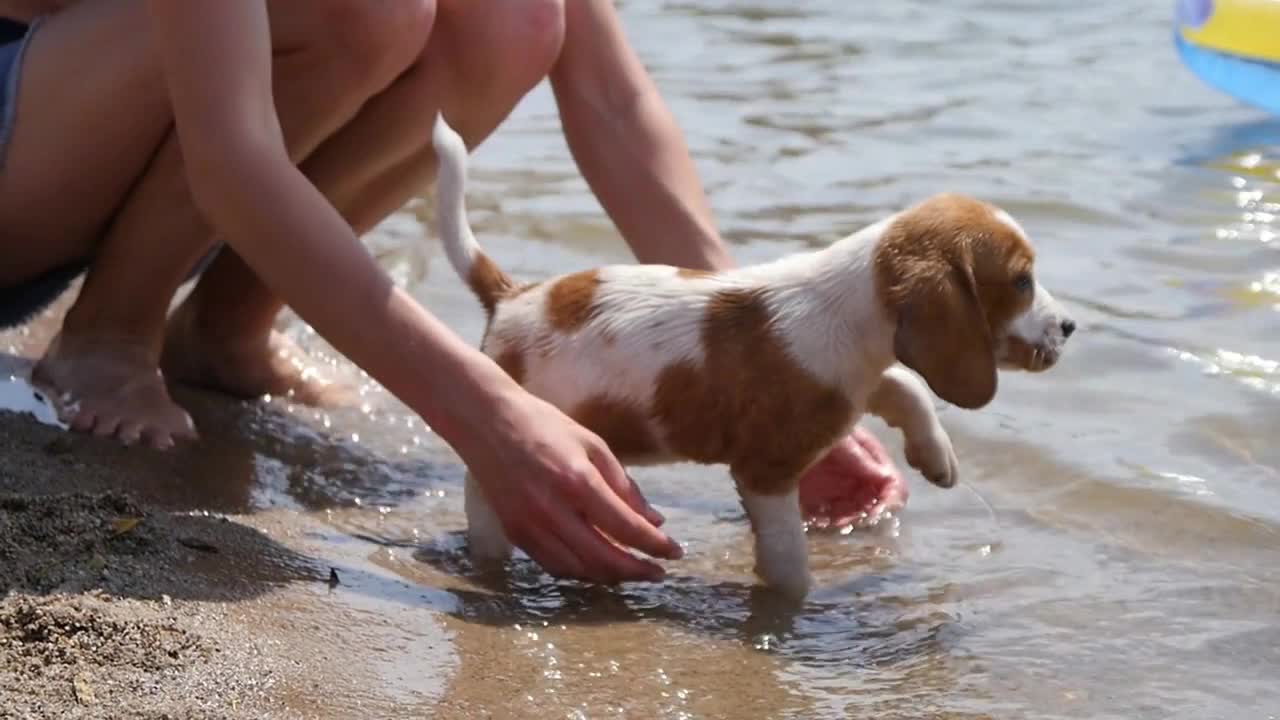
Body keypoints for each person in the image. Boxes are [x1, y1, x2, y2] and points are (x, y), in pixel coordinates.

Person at [0, 0, 907, 583]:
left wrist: (750, 353)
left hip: (105, 159)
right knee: (368, 9)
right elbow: (233, 160)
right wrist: (489, 415)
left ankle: (225, 330)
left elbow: (610, 101)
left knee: (511, 19)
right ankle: (109, 336)